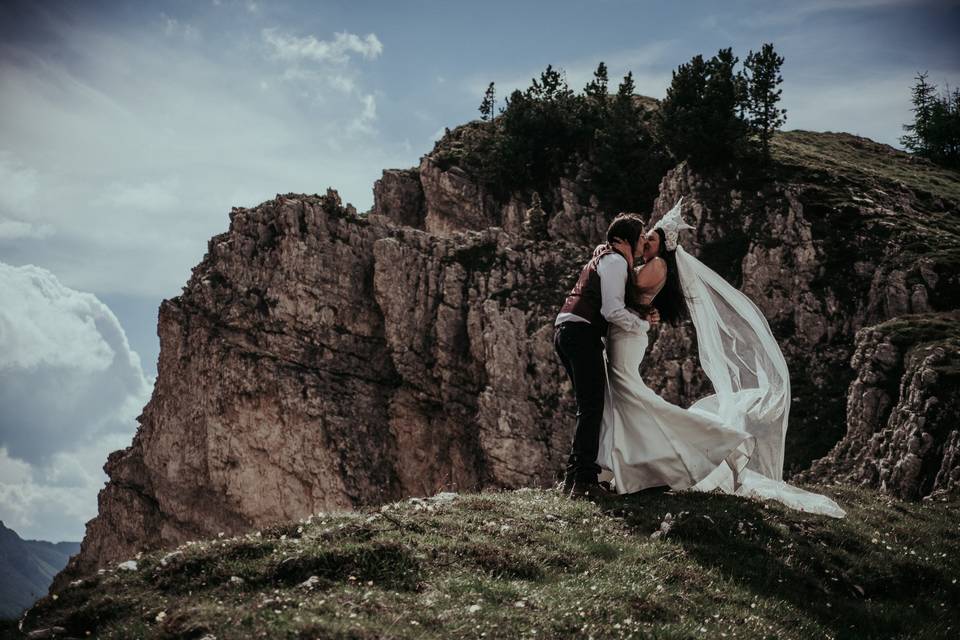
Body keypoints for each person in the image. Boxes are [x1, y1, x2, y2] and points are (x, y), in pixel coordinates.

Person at [597, 198, 846, 518]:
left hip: (629, 338)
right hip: (627, 333)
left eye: (652, 239)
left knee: (632, 396)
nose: (646, 241)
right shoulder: (647, 264)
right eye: (646, 238)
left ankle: (709, 444)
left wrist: (611, 262)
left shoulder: (655, 266)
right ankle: (634, 465)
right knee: (625, 399)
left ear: (664, 247)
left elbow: (627, 292)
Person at [554, 213, 660, 500]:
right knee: (591, 407)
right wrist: (643, 325)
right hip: (581, 332)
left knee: (587, 406)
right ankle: (583, 482)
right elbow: (611, 310)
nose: (642, 244)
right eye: (639, 238)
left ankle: (574, 478)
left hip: (569, 330)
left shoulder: (608, 259)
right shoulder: (614, 262)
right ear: (624, 239)